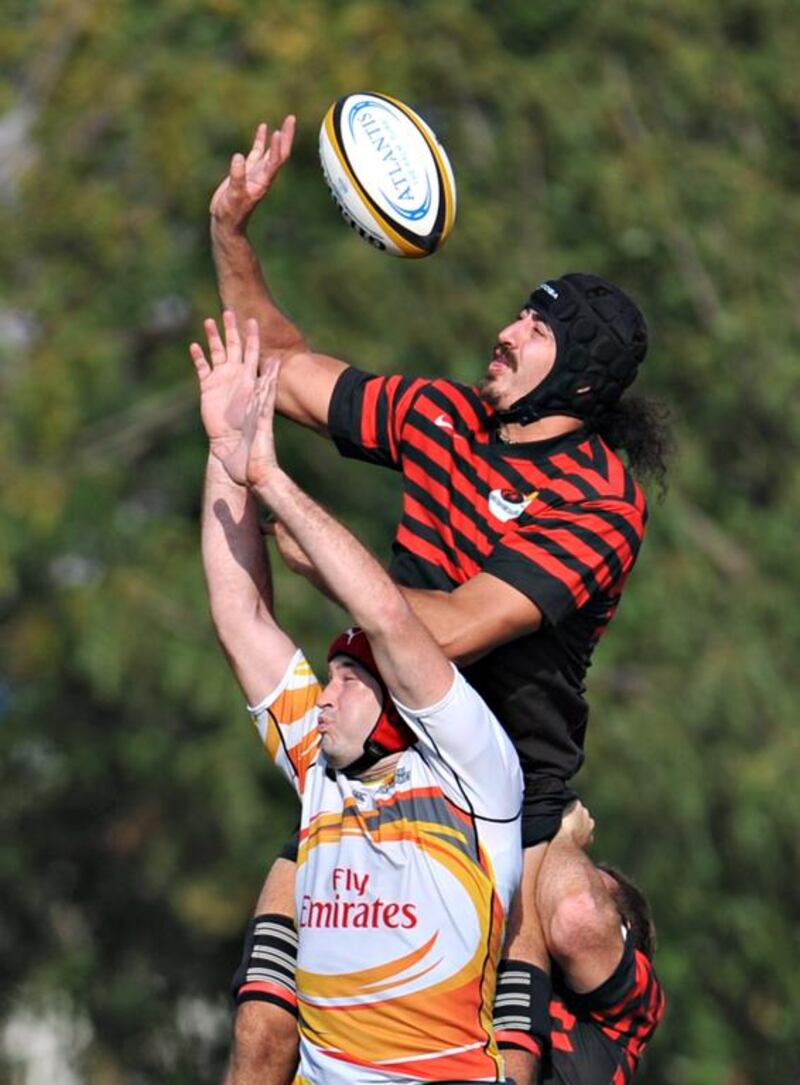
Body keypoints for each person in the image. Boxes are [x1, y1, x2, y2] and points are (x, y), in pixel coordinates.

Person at [208, 118, 672, 1085]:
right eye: (517, 314)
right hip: (377, 758)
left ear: (579, 377)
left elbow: (451, 627)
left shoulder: (600, 503)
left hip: (501, 797)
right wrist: (231, 233)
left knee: (525, 1024)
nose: (503, 333)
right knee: (260, 1034)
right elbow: (280, 369)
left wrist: (312, 557)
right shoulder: (442, 415)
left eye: (534, 331)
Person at [192, 312, 525, 1084]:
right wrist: (226, 452)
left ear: (402, 704)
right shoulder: (322, 766)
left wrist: (273, 476)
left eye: (347, 679)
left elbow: (387, 616)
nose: (326, 693)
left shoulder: (475, 779)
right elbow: (241, 618)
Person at [493, 801, 665, 1083]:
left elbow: (577, 914)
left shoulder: (636, 1010)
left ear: (625, 931)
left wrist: (563, 837)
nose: (546, 881)